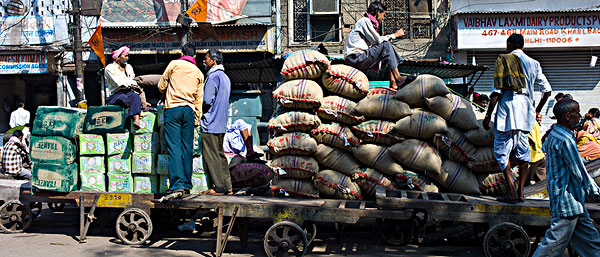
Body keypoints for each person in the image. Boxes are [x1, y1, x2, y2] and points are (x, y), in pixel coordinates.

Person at [483, 33, 552, 203]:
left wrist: (487, 115)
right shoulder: (534, 63)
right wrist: (537, 110)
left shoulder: (503, 60)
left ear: (509, 45)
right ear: (522, 45)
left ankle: (512, 191)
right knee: (523, 152)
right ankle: (521, 193)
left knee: (501, 151)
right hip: (526, 109)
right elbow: (547, 90)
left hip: (507, 107)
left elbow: (496, 92)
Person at [532, 99, 600, 257]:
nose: (580, 116)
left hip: (574, 201)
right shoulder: (565, 140)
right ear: (568, 116)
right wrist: (596, 192)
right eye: (577, 113)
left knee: (590, 240)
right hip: (567, 201)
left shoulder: (554, 134)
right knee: (553, 245)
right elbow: (579, 171)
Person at [157, 43, 204, 197]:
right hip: (189, 111)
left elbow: (161, 85)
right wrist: (197, 118)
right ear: (195, 56)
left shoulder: (174, 64)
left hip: (173, 109)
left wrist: (168, 89)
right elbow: (199, 99)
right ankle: (186, 185)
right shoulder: (199, 72)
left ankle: (177, 184)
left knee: (174, 148)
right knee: (187, 148)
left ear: (182, 53)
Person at [343, 1, 414, 89]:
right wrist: (395, 35)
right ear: (378, 13)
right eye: (383, 15)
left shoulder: (368, 24)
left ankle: (394, 82)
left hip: (359, 58)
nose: (383, 18)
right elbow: (378, 41)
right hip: (355, 58)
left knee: (388, 52)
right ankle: (398, 79)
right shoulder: (364, 21)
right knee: (386, 46)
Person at [201, 50, 232, 195]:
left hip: (210, 123)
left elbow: (207, 101)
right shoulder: (225, 77)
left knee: (212, 156)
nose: (204, 61)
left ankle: (219, 187)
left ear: (213, 60)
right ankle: (228, 186)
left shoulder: (213, 77)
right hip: (221, 123)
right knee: (220, 155)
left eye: (206, 59)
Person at [104, 46, 150, 129]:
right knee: (124, 99)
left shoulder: (129, 67)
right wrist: (133, 82)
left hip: (129, 91)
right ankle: (133, 115)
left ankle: (136, 120)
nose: (127, 58)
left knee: (135, 97)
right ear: (118, 57)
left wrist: (134, 83)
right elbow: (119, 83)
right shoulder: (110, 68)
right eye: (125, 56)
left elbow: (132, 80)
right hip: (116, 94)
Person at [527, 119, 546, 185]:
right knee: (541, 182)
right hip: (539, 154)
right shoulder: (534, 122)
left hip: (533, 156)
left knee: (525, 182)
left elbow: (531, 139)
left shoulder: (529, 123)